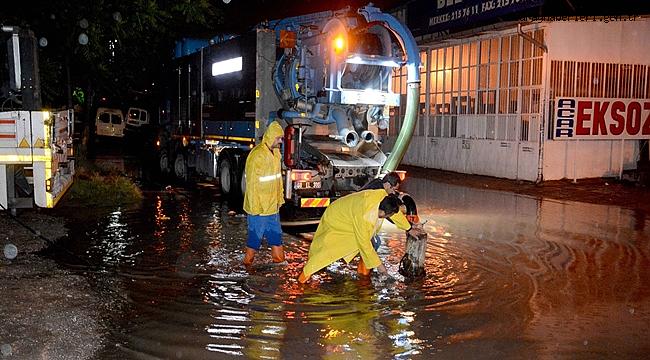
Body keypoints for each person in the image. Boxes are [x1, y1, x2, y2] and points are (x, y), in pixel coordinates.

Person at [297, 190, 403, 283]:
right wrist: (382, 269)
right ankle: (301, 281)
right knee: (326, 252)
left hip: (347, 220)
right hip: (337, 221)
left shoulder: (382, 198)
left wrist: (409, 228)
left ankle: (363, 274)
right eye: (387, 216)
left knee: (369, 244)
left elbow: (395, 214)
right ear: (382, 212)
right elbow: (364, 243)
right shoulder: (365, 216)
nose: (387, 218)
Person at [242, 121, 285, 266]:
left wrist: (280, 199)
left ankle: (279, 265)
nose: (280, 141)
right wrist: (255, 208)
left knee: (276, 238)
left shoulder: (276, 154)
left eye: (281, 138)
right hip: (259, 210)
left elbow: (278, 180)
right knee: (254, 241)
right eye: (278, 138)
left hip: (273, 208)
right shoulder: (257, 155)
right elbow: (252, 185)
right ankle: (247, 267)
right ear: (271, 136)